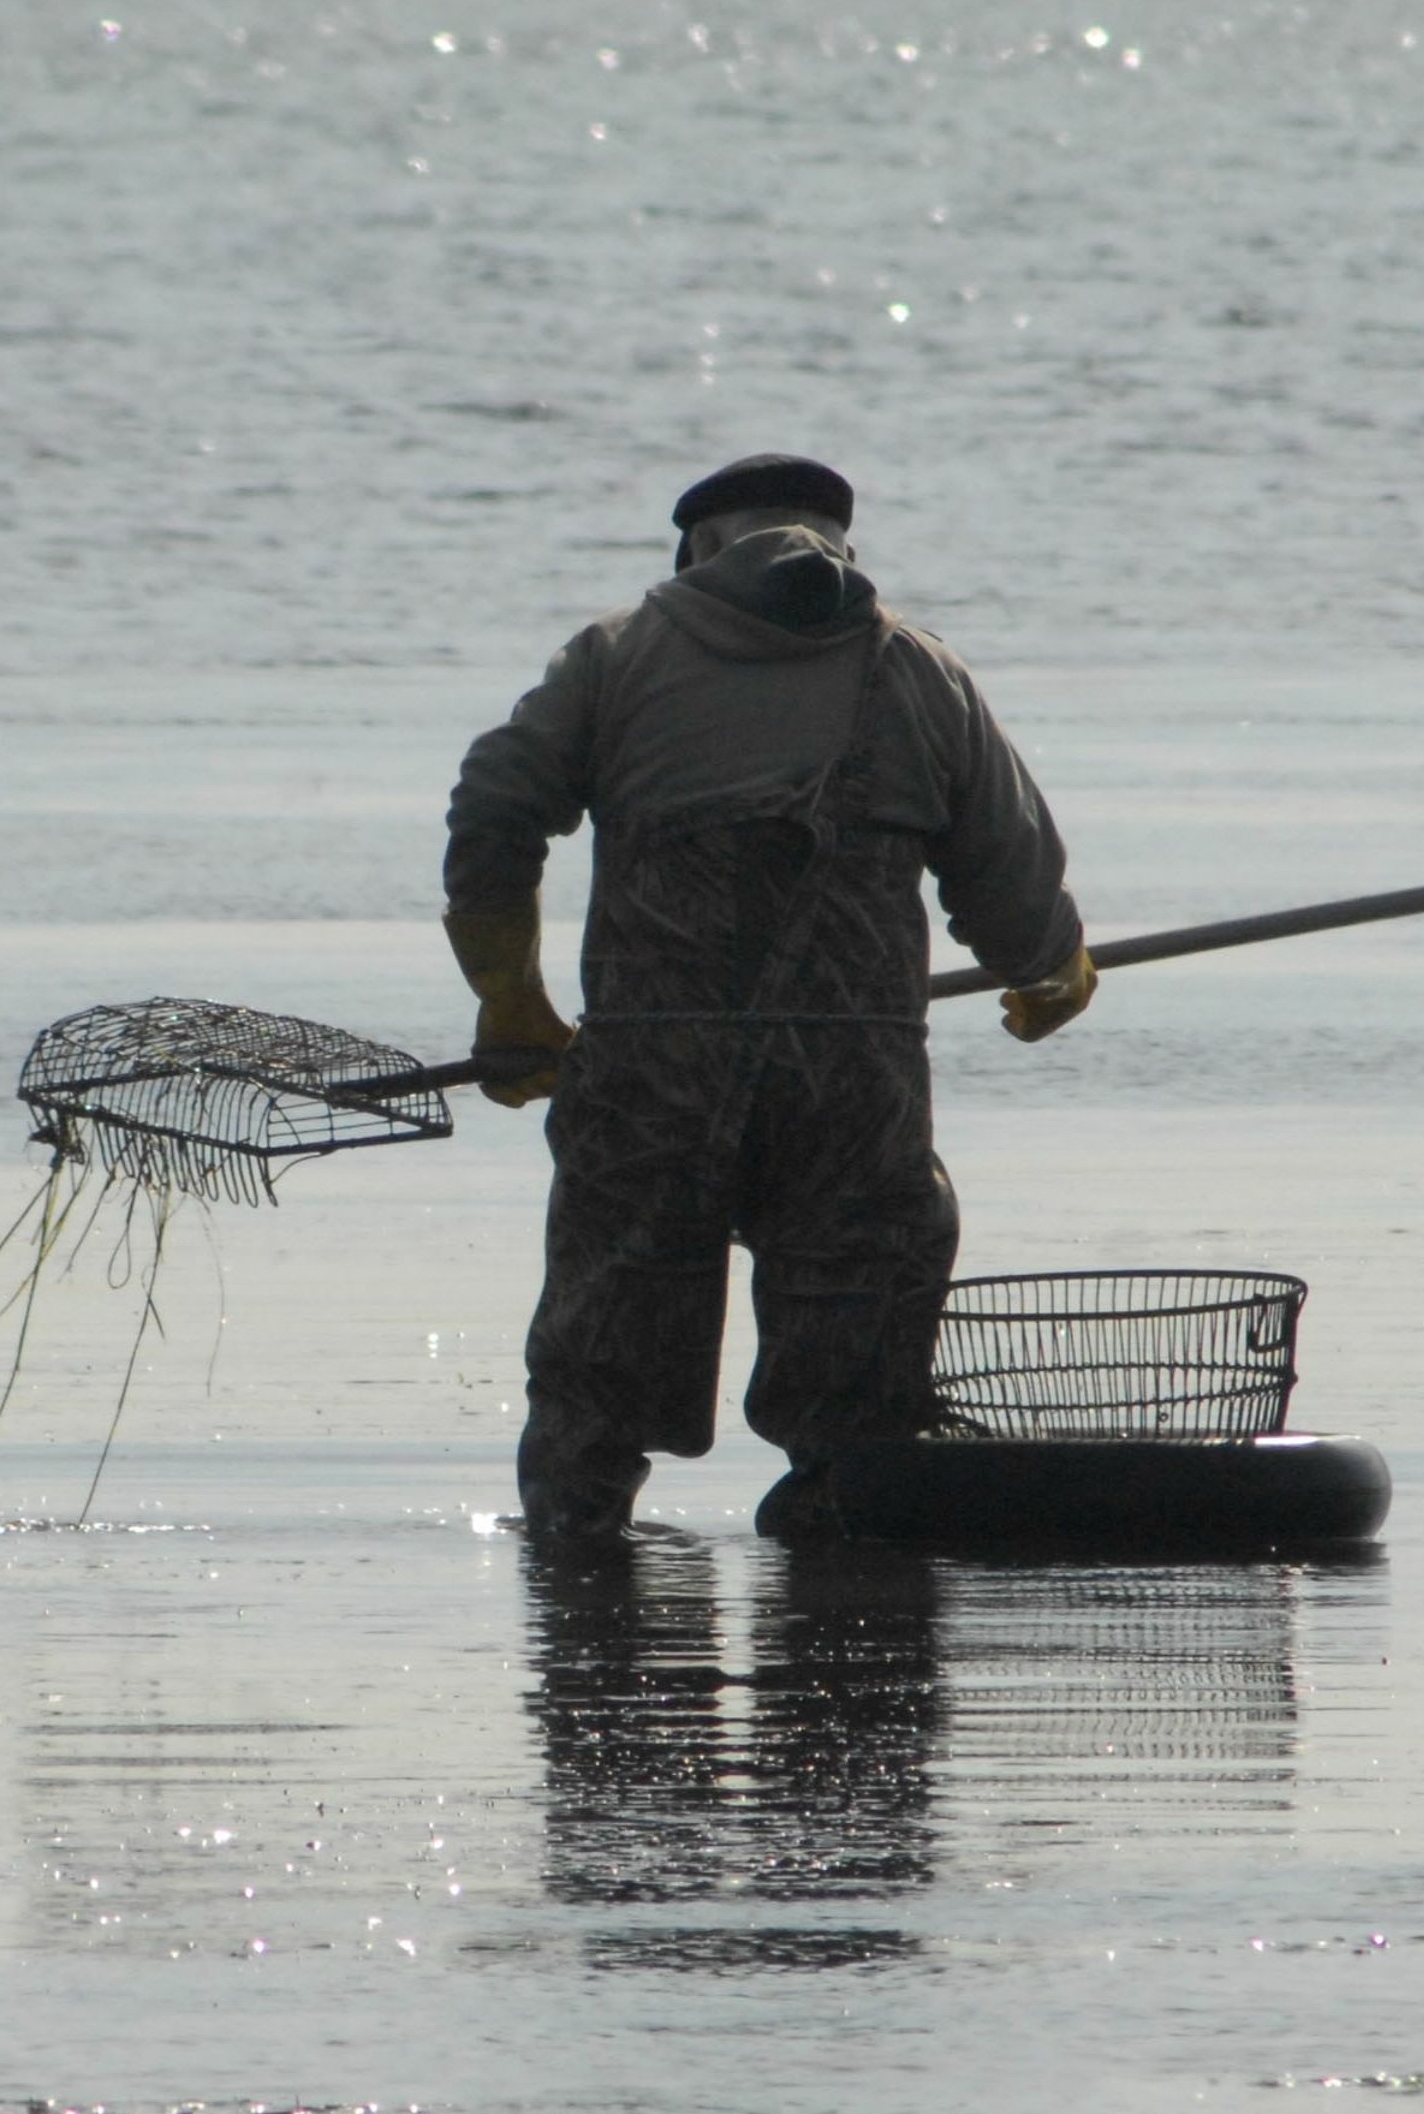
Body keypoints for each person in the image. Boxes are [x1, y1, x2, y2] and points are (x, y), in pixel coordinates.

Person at [441, 452, 1094, 1543]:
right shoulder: (921, 673)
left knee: (599, 1375)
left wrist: (512, 999)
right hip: (852, 1084)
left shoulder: (616, 659)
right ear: (843, 544)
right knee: (857, 1389)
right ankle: (840, 1600)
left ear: (698, 548)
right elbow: (1011, 871)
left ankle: (581, 1583)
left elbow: (494, 811)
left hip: (652, 1076)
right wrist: (1047, 967)